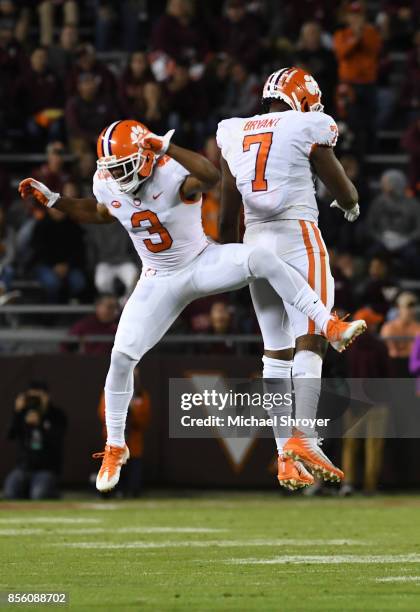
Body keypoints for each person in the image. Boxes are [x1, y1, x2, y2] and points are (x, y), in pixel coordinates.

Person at [19, 119, 366, 493]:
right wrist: (56, 201)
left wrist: (166, 147)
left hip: (201, 262)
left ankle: (325, 322)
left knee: (263, 259)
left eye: (125, 166)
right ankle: (115, 447)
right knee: (121, 357)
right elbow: (101, 212)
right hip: (158, 279)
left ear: (147, 155)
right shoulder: (106, 181)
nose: (120, 176)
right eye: (113, 169)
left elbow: (211, 175)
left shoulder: (170, 171)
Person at [217, 66, 365, 489]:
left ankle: (284, 454)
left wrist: (233, 258)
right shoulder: (306, 123)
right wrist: (351, 206)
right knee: (312, 339)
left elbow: (228, 216)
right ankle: (306, 436)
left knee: (275, 352)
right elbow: (346, 192)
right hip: (297, 236)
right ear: (302, 98)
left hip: (253, 245)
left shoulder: (233, 131)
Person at [340, 307, 390, 496]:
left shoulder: (346, 346)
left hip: (352, 402)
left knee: (350, 445)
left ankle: (348, 484)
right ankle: (370, 486)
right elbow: (388, 375)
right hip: (377, 402)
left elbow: (342, 374)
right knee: (373, 446)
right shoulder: (379, 346)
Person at [3, 381, 67, 500]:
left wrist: (40, 423)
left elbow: (57, 440)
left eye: (38, 397)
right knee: (10, 493)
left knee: (39, 495)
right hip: (23, 468)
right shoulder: (23, 414)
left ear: (47, 396)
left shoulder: (56, 415)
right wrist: (17, 412)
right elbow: (10, 435)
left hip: (47, 469)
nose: (34, 401)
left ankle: (54, 493)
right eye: (31, 397)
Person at [97, 367, 151, 497]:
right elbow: (103, 415)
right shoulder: (110, 393)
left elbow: (144, 422)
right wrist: (121, 411)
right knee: (107, 489)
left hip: (134, 449)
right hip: (114, 449)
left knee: (134, 488)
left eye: (134, 375)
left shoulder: (142, 397)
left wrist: (133, 411)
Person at [380, 292, 420, 377]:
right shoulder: (389, 328)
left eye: (413, 307)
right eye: (408, 307)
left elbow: (414, 356)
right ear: (399, 308)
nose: (411, 310)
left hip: (412, 372)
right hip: (394, 370)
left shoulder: (417, 328)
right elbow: (393, 353)